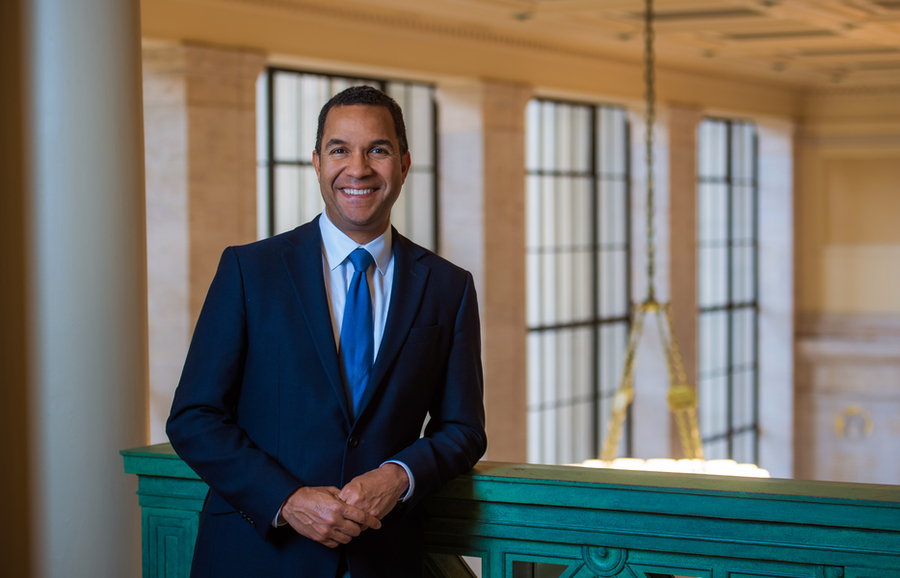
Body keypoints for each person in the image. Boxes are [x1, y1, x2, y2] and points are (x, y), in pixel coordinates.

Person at [167, 86, 487, 578]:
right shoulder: (250, 271)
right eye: (340, 149)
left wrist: (398, 477)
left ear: (403, 165)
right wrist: (287, 499)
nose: (357, 169)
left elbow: (462, 429)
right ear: (317, 162)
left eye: (376, 150)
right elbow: (194, 416)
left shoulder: (449, 287)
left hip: (383, 558)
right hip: (256, 556)